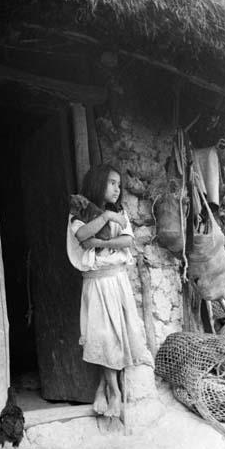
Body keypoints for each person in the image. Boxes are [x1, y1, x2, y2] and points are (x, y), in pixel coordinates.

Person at [66, 163, 154, 417]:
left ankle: (103, 389)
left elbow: (128, 240)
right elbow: (82, 235)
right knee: (104, 336)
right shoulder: (80, 208)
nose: (117, 189)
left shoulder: (120, 210)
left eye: (118, 184)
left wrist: (101, 241)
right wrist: (104, 218)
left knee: (118, 336)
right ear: (98, 183)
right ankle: (114, 392)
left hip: (117, 280)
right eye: (111, 183)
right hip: (97, 282)